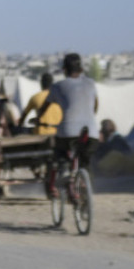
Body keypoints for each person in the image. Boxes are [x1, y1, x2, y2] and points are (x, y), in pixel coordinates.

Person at [39, 54, 99, 196]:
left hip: (67, 132)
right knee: (85, 160)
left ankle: (65, 170)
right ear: (82, 69)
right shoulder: (91, 83)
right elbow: (95, 106)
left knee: (61, 154)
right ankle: (84, 184)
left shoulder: (57, 87)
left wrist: (38, 118)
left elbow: (44, 107)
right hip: (91, 132)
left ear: (64, 69)